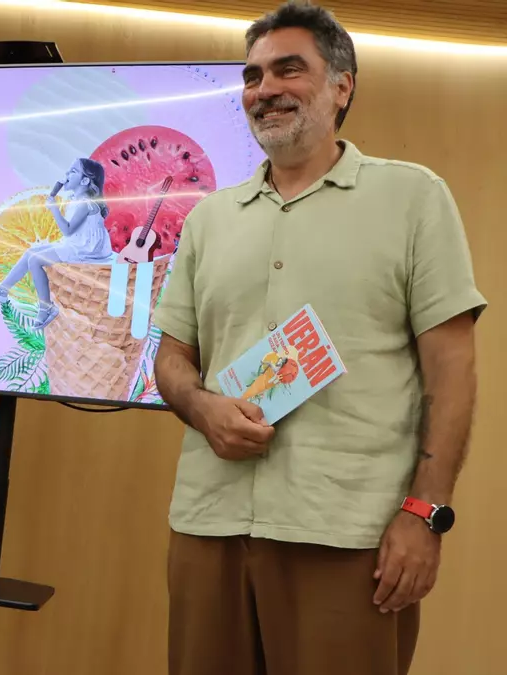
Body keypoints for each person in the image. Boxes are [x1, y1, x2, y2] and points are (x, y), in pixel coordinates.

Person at [151, 2, 485, 675]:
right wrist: (203, 406)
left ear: (342, 86)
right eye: (252, 76)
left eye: (288, 69)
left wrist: (425, 513)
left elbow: (453, 371)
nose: (264, 89)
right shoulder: (209, 219)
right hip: (209, 522)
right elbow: (172, 357)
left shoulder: (414, 198)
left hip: (350, 534)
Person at [0, 158, 114, 328]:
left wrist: (54, 209)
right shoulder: (77, 200)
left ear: (85, 181)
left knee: (35, 260)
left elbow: (68, 230)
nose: (67, 174)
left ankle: (46, 307)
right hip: (77, 244)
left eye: (73, 171)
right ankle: (3, 290)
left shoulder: (85, 203)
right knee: (30, 252)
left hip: (86, 249)